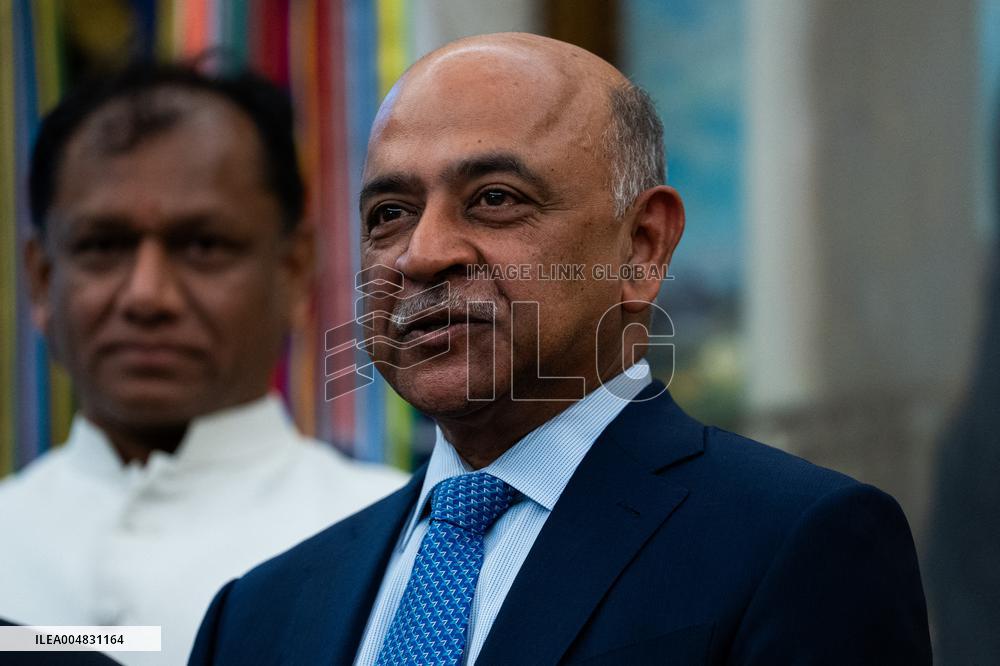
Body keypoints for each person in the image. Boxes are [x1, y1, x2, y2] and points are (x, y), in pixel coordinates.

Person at [190, 33, 931, 665]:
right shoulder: (258, 614)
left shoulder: (795, 546)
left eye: (495, 198)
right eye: (390, 213)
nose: (423, 254)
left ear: (641, 248)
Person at [0, 62, 406, 666]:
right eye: (102, 246)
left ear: (294, 272)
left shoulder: (400, 548)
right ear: (40, 278)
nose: (146, 295)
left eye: (203, 246)